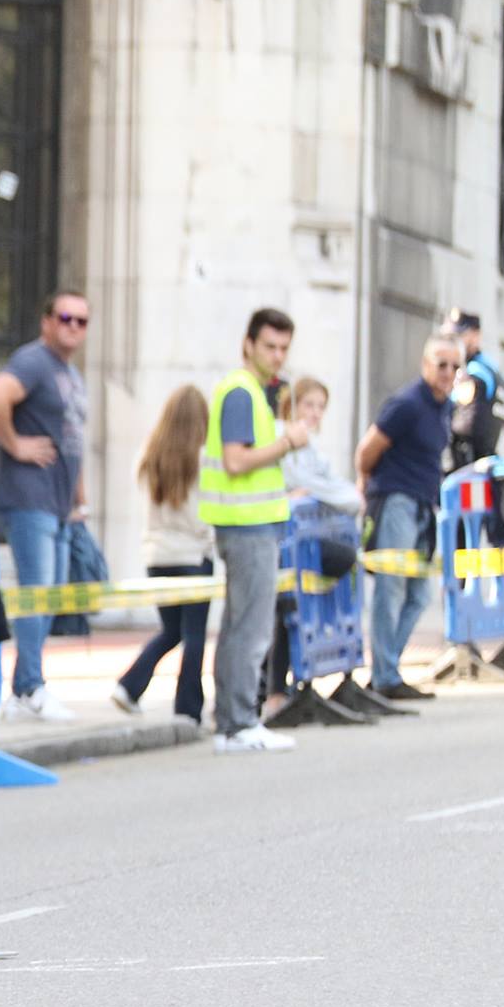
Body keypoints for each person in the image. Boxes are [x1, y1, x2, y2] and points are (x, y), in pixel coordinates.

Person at [201, 307, 311, 753]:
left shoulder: (249, 391)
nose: (278, 356)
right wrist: (287, 442)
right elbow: (236, 461)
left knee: (239, 627)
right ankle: (241, 722)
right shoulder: (242, 392)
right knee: (250, 629)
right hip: (247, 525)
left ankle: (232, 723)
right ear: (248, 345)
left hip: (247, 523)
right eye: (270, 346)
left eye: (284, 348)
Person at [0, 292, 91, 722]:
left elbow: (71, 440)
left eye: (82, 320)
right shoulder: (34, 361)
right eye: (65, 317)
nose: (73, 326)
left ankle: (27, 688)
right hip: (29, 498)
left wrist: (79, 500)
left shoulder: (70, 373)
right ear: (46, 321)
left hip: (59, 505)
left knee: (49, 596)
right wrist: (15, 445)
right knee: (36, 594)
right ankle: (28, 688)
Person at [356, 334, 458, 700]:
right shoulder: (407, 404)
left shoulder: (445, 407)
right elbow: (367, 450)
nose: (448, 373)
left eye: (455, 366)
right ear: (426, 365)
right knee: (392, 588)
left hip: (423, 506)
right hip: (396, 500)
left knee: (419, 594)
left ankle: (388, 670)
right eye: (442, 365)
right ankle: (384, 677)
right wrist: (366, 487)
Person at [111, 386, 214, 725]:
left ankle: (130, 686)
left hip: (157, 557)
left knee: (172, 630)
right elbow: (204, 515)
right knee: (193, 634)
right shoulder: (203, 458)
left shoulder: (148, 455)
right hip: (193, 556)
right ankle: (188, 707)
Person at [262, 377, 364, 705]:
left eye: (321, 407)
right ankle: (273, 691)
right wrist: (340, 498)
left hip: (297, 543)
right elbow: (309, 484)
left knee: (289, 608)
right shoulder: (281, 436)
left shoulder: (310, 447)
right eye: (309, 404)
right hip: (278, 540)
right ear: (291, 405)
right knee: (284, 609)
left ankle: (276, 687)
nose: (315, 413)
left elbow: (330, 486)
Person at [444, 309, 504, 474]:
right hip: (486, 469)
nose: (453, 341)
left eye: (460, 335)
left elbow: (462, 427)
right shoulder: (497, 374)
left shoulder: (472, 374)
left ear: (476, 336)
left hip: (463, 471)